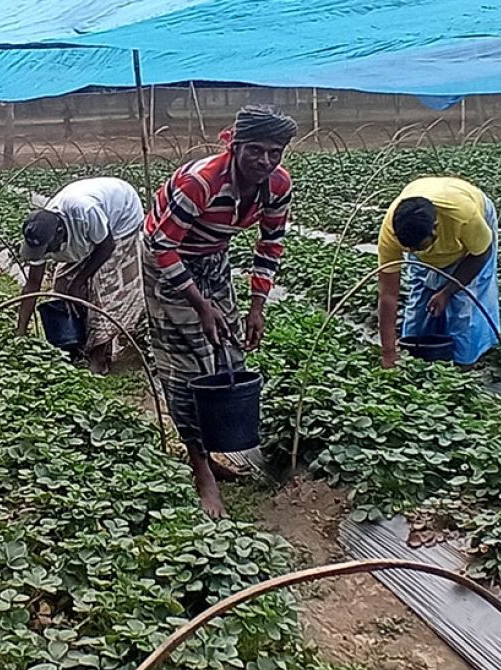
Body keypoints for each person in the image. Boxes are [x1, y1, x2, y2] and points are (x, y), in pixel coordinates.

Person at [143, 105, 296, 518]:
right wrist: (200, 304)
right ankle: (200, 468)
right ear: (235, 145)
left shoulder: (277, 185)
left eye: (275, 152)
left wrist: (257, 306)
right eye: (256, 151)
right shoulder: (201, 183)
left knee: (227, 351)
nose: (265, 161)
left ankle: (213, 449)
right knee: (186, 364)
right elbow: (162, 247)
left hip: (213, 254)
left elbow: (270, 243)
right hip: (167, 260)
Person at [15, 177, 145, 373]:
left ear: (60, 233)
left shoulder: (84, 212)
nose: (44, 253)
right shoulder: (39, 234)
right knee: (62, 283)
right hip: (94, 230)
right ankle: (75, 342)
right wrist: (20, 331)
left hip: (121, 216)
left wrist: (79, 282)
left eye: (47, 248)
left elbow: (106, 246)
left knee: (103, 286)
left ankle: (99, 358)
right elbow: (33, 284)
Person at [375, 177, 500, 369]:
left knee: (464, 306)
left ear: (435, 228)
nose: (415, 252)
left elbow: (480, 256)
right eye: (410, 249)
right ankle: (416, 360)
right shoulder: (392, 233)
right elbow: (388, 294)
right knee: (419, 305)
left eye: (420, 246)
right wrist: (388, 351)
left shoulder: (464, 216)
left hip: (470, 242)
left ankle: (463, 367)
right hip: (429, 228)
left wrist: (446, 292)